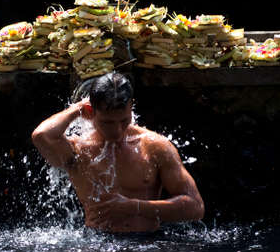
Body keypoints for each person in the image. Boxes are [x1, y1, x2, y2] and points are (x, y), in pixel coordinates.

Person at [32, 72, 204, 232]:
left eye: (124, 120)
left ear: (131, 107)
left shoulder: (155, 146)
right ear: (91, 112)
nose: (117, 130)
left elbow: (195, 207)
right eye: (107, 122)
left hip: (146, 245)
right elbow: (42, 135)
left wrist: (134, 206)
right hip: (96, 245)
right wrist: (76, 109)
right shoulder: (78, 150)